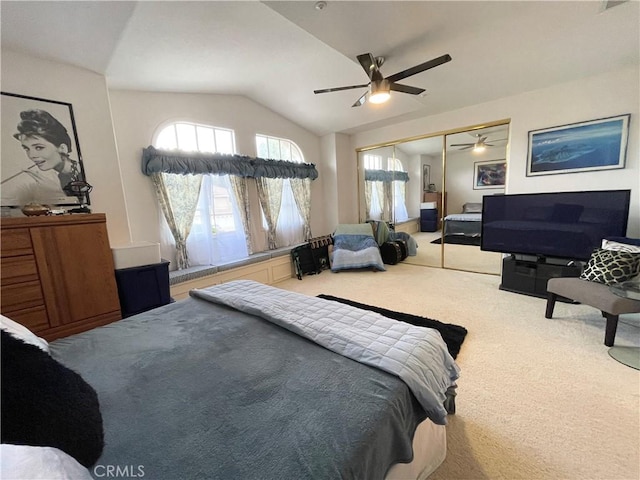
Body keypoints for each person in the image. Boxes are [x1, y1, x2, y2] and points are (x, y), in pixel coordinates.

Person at [12, 109, 83, 192]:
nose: (31, 155)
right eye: (26, 148)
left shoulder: (83, 173)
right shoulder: (63, 177)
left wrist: (57, 192)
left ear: (62, 148)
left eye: (39, 147)